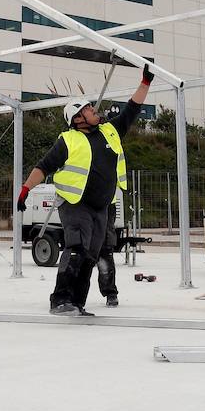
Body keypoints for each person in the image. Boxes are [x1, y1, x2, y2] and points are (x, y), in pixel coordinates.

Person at [17, 64, 153, 315]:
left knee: (90, 255)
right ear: (78, 119)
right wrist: (26, 189)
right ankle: (59, 300)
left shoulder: (110, 131)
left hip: (101, 206)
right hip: (75, 204)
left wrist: (145, 83)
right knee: (77, 248)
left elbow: (131, 110)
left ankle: (76, 303)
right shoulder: (68, 140)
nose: (94, 110)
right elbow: (43, 166)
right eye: (89, 109)